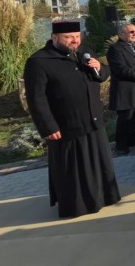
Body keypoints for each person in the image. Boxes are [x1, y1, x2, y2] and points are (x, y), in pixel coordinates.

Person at [23, 20, 120, 218]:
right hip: (67, 126)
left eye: (77, 36)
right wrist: (47, 126)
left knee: (99, 164)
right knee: (75, 170)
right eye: (69, 37)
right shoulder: (39, 61)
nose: (74, 41)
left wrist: (98, 67)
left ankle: (104, 197)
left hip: (93, 121)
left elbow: (104, 74)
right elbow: (36, 98)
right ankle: (77, 205)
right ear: (54, 38)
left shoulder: (83, 54)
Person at [107, 23, 135, 155]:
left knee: (133, 115)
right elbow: (120, 69)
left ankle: (131, 138)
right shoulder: (115, 49)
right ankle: (121, 144)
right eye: (131, 32)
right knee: (125, 117)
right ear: (121, 34)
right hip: (124, 90)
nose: (134, 34)